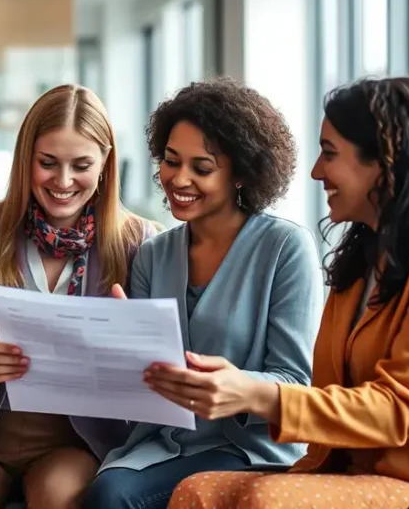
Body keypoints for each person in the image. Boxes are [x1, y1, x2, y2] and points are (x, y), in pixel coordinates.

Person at [168, 77, 409, 509]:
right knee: (195, 491)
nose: (315, 171)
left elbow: (394, 409)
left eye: (329, 153)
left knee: (269, 502)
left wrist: (256, 394)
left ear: (386, 161)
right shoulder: (367, 253)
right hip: (366, 476)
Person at [82, 77, 323, 508]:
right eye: (171, 161)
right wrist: (120, 348)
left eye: (202, 167)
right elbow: (139, 390)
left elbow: (294, 381)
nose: (179, 178)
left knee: (114, 496)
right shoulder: (153, 254)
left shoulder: (285, 248)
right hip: (164, 444)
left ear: (241, 174)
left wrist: (226, 384)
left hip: (250, 450)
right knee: (108, 488)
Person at [0, 84, 158, 508]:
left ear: (105, 163)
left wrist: (133, 348)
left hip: (79, 440)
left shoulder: (138, 242)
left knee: (57, 493)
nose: (63, 181)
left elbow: (159, 384)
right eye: (47, 163)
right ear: (25, 159)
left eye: (81, 165)